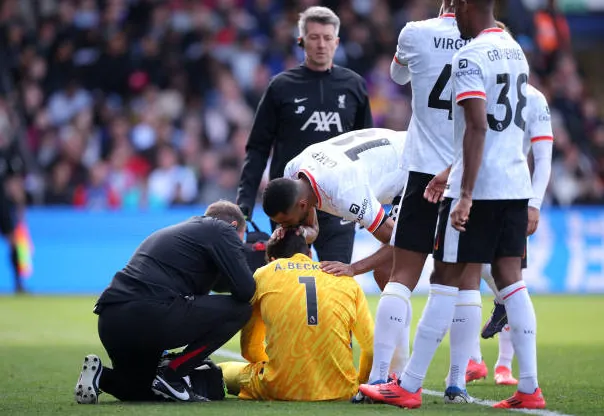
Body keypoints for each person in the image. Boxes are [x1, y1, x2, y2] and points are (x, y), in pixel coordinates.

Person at [360, 0, 546, 409]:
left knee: (418, 276)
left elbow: (473, 124)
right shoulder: (515, 50)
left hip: (455, 177)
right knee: (496, 282)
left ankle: (395, 381)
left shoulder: (445, 45)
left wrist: (460, 188)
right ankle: (480, 383)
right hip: (510, 181)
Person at [334, 1, 471, 394]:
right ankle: (456, 381)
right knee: (460, 280)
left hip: (424, 169)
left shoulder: (415, 31)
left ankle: (380, 377)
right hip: (470, 174)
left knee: (402, 276)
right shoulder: (485, 42)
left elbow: (397, 75)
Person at [73, 201, 255, 404]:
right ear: (233, 225)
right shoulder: (221, 229)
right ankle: (173, 373)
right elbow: (245, 290)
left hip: (111, 322)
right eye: (241, 238)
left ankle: (100, 375)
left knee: (139, 389)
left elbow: (223, 284)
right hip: (150, 315)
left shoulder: (186, 233)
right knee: (241, 310)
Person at [236, 6, 373, 264]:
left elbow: (365, 150)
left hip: (339, 202)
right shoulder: (280, 87)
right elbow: (257, 148)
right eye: (314, 37)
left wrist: (368, 204)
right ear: (301, 41)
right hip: (289, 204)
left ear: (337, 42)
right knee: (288, 282)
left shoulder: (354, 86)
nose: (321, 44)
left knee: (337, 281)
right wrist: (244, 203)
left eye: (327, 37)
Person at [218, 229, 374, 401]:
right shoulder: (345, 278)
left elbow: (250, 349)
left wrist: (278, 369)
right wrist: (359, 383)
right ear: (309, 253)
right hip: (342, 391)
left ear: (272, 260)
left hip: (278, 388)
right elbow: (371, 349)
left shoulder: (264, 273)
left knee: (222, 370)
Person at [474, 81, 553, 385]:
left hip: (512, 198)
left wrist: (535, 203)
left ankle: (504, 366)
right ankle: (472, 360)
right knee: (469, 274)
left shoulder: (534, 97)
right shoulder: (477, 87)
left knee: (510, 281)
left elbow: (544, 157)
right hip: (474, 191)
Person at [262, 127, 407, 287]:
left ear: (302, 205)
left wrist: (353, 268)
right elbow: (313, 230)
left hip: (412, 166)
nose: (284, 226)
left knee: (385, 270)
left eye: (287, 222)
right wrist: (301, 232)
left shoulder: (346, 194)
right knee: (384, 271)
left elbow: (399, 240)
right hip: (386, 150)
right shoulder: (293, 171)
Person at [0, 134, 27, 293]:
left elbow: (14, 183)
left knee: (13, 241)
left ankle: (18, 282)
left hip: (3, 205)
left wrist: (19, 206)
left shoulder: (7, 155)